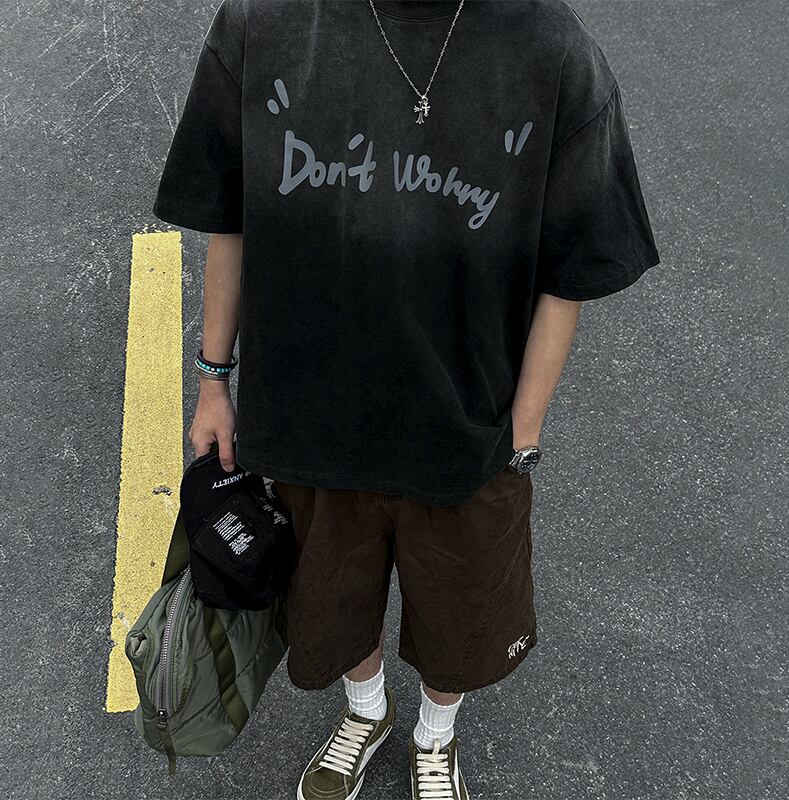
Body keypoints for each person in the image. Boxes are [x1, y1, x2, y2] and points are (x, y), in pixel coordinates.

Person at [152, 1, 661, 797]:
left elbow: (573, 268)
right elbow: (231, 217)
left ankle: (435, 733)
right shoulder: (265, 23)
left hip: (466, 434)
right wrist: (213, 378)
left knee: (460, 620)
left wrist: (523, 430)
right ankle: (367, 711)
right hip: (312, 422)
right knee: (328, 606)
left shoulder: (549, 46)